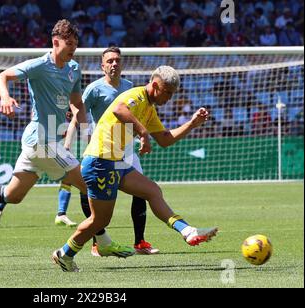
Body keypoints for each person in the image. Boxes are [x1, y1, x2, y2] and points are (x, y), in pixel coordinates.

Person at [0, 19, 134, 258]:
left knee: (12, 195)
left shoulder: (73, 69)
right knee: (88, 184)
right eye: (68, 44)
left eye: (75, 45)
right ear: (55, 42)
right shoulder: (40, 65)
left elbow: (77, 102)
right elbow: (2, 77)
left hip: (44, 141)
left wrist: (86, 129)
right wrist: (5, 97)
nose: (72, 49)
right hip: (41, 139)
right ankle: (101, 241)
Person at [52, 66, 219, 272]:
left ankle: (188, 231)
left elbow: (165, 139)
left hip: (115, 162)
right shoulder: (136, 95)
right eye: (167, 92)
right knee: (100, 220)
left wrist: (192, 124)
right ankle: (64, 253)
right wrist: (143, 133)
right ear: (156, 85)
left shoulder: (149, 109)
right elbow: (119, 109)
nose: (169, 98)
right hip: (99, 162)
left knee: (152, 190)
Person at [59, 47, 159, 255]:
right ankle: (97, 240)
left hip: (127, 147)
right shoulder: (94, 89)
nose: (114, 64)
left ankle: (140, 242)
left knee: (142, 191)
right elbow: (78, 113)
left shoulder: (130, 87)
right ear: (102, 66)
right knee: (87, 191)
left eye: (117, 61)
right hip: (102, 148)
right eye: (110, 61)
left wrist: (142, 134)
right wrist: (67, 143)